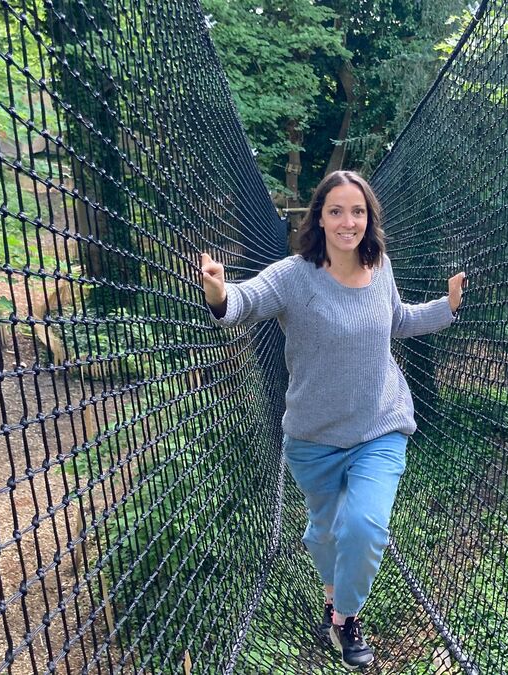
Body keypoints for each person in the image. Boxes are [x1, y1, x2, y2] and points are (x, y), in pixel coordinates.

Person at [198, 170, 465, 668]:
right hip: (313, 437)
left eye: (358, 211)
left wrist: (445, 308)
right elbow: (245, 301)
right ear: (318, 217)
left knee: (363, 527)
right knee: (324, 533)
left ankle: (344, 617)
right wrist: (219, 293)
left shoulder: (378, 264)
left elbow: (399, 321)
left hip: (379, 426)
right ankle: (332, 598)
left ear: (370, 217)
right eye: (337, 211)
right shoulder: (295, 276)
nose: (349, 221)